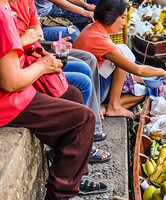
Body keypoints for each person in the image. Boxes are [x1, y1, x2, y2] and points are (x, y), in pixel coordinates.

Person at [0, 0, 103, 200]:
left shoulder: (11, 8)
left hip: (16, 90)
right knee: (83, 119)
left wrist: (40, 56)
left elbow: (31, 35)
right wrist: (42, 66)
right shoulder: (3, 14)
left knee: (73, 95)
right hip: (7, 101)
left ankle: (71, 173)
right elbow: (10, 82)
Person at [10, 0, 110, 154]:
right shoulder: (6, 10)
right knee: (81, 83)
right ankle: (76, 144)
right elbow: (13, 57)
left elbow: (37, 34)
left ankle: (86, 135)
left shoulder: (26, 2)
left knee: (86, 63)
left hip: (34, 56)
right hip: (23, 68)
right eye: (122, 18)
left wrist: (47, 48)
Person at [73, 0, 166, 120]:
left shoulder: (91, 28)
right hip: (92, 92)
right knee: (123, 58)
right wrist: (162, 72)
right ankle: (113, 106)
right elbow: (137, 69)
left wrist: (145, 79)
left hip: (90, 87)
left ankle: (104, 107)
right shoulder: (99, 39)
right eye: (122, 17)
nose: (124, 23)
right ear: (110, 17)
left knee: (144, 89)